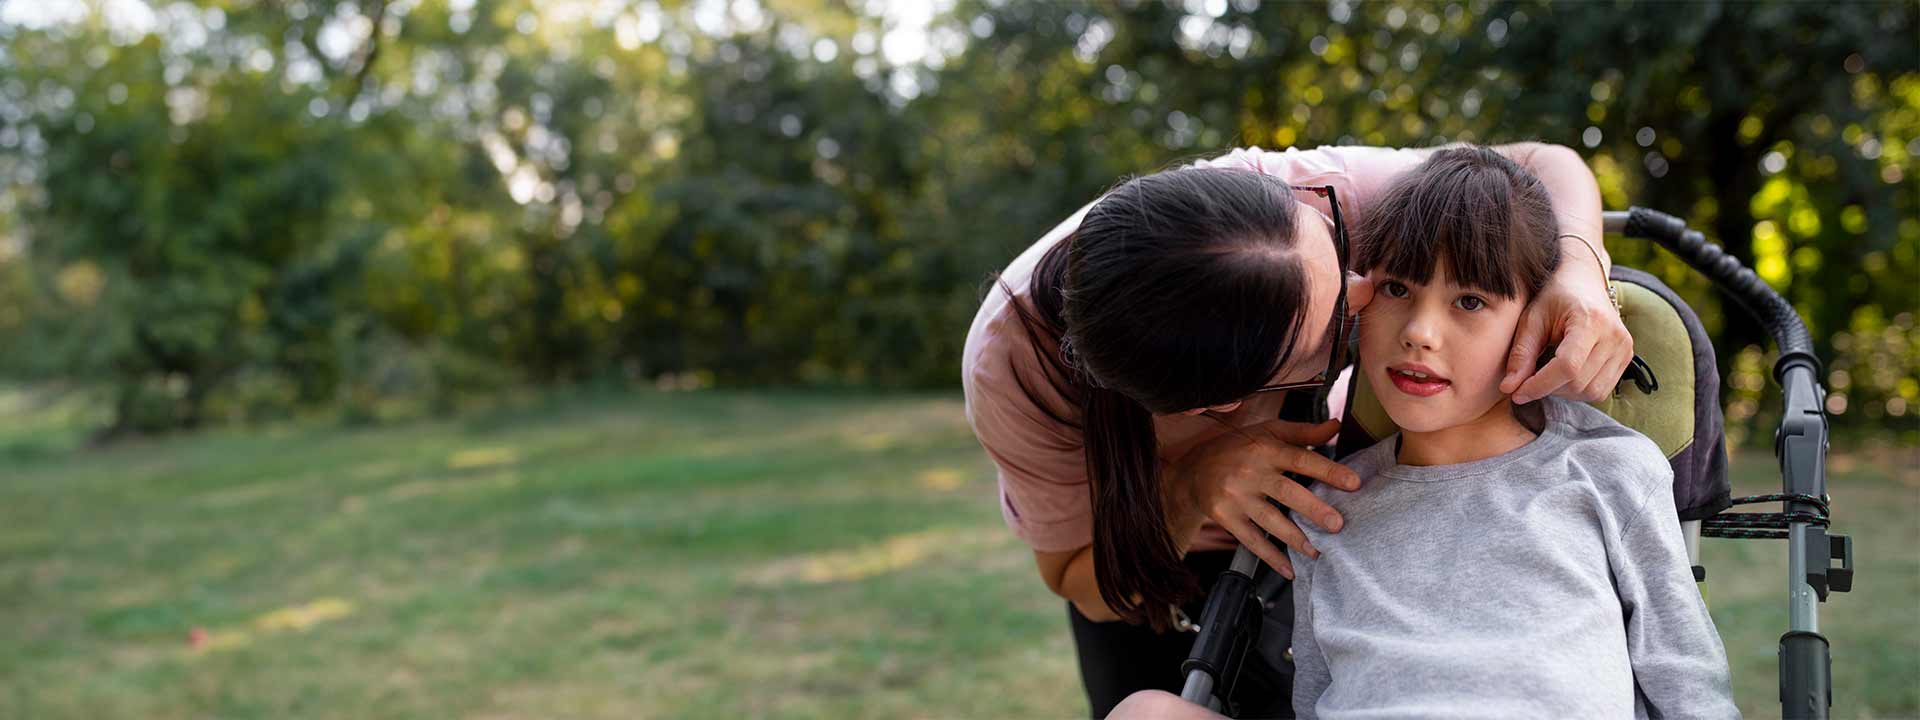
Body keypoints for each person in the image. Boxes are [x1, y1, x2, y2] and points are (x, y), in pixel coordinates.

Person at [961, 143, 1628, 718]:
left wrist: (1581, 267)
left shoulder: (1294, 202)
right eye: (1340, 320)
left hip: (1323, 525)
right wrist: (1194, 489)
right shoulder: (1014, 367)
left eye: (1339, 249)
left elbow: (1543, 163)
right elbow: (1079, 577)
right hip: (1155, 566)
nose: (1370, 289)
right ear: (1229, 404)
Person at [1280, 147, 1737, 718]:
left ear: (1537, 321)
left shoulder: (1607, 471)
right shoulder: (1325, 511)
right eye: (1397, 289)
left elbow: (1687, 682)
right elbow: (1314, 696)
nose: (1420, 333)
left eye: (1469, 301)